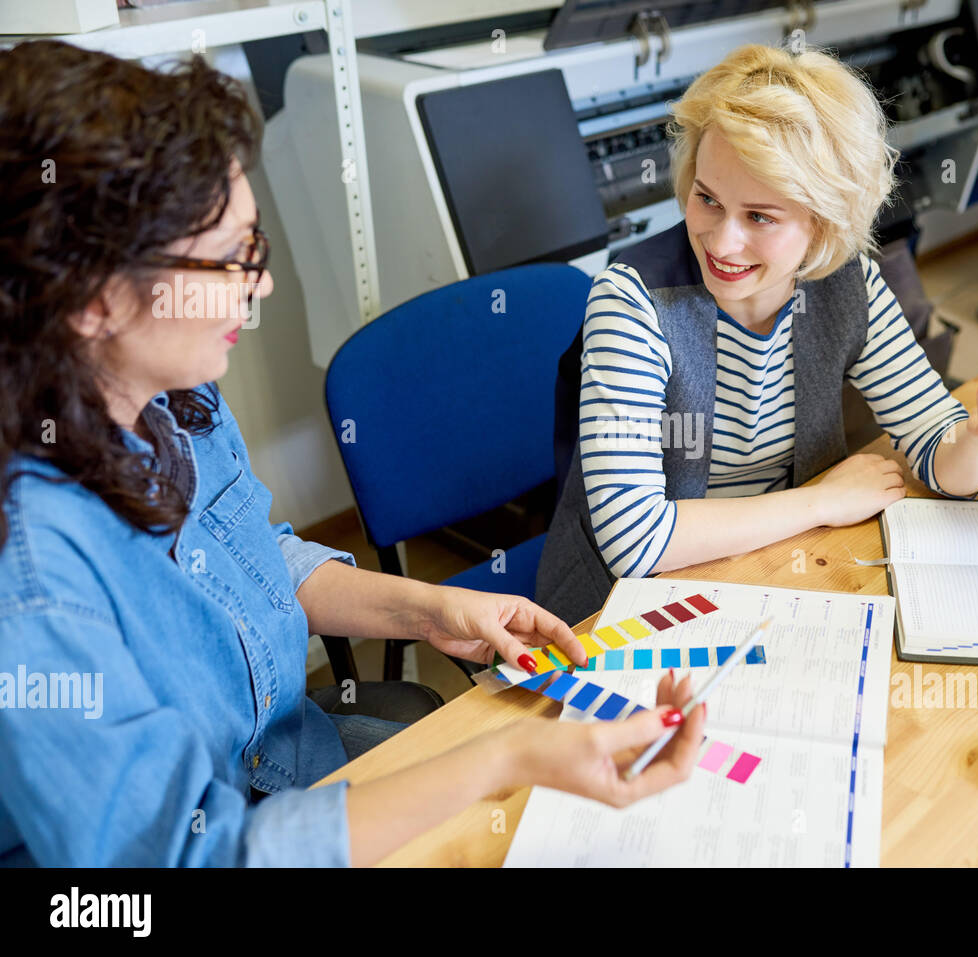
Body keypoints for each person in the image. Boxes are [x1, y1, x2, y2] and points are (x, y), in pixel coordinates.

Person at [0, 41, 703, 867]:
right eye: (230, 260)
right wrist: (499, 762)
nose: (259, 288)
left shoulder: (172, 395)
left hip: (297, 768)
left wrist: (433, 610)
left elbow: (260, 559)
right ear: (95, 298)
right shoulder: (31, 578)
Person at [536, 44, 978, 624]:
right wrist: (821, 502)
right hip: (620, 609)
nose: (721, 241)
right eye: (707, 199)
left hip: (777, 567)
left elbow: (940, 455)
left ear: (825, 221)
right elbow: (635, 542)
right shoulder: (632, 302)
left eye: (760, 216)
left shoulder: (848, 285)